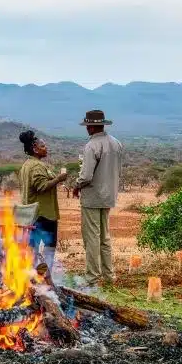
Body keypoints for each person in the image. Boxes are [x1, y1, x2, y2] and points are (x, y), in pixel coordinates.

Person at [73, 110, 124, 287]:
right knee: (105, 236)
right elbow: (118, 171)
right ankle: (109, 276)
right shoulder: (116, 143)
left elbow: (86, 176)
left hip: (93, 197)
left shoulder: (91, 146)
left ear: (92, 126)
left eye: (88, 125)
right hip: (109, 195)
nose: (87, 129)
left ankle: (92, 277)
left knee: (92, 237)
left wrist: (77, 185)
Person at [18, 130, 68, 269]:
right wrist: (59, 179)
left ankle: (31, 276)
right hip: (43, 214)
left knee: (32, 246)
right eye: (42, 146)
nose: (46, 148)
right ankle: (46, 275)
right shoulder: (36, 166)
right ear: (35, 149)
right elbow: (41, 186)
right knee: (49, 246)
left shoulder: (27, 165)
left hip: (32, 213)